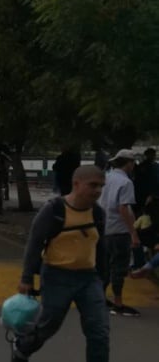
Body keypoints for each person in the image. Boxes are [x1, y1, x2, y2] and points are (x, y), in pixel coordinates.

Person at [12, 165, 109, 362]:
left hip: (88, 279)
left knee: (99, 332)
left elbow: (100, 247)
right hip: (57, 277)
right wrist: (26, 277)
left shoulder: (98, 213)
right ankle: (21, 349)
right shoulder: (54, 210)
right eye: (93, 185)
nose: (98, 191)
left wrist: (103, 279)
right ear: (76, 184)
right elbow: (34, 243)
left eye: (101, 186)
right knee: (47, 326)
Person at [98, 149, 140, 317]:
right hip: (119, 230)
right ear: (128, 163)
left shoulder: (106, 178)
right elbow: (123, 208)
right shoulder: (126, 182)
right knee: (119, 267)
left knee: (105, 267)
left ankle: (99, 298)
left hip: (104, 229)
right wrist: (133, 233)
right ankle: (118, 303)